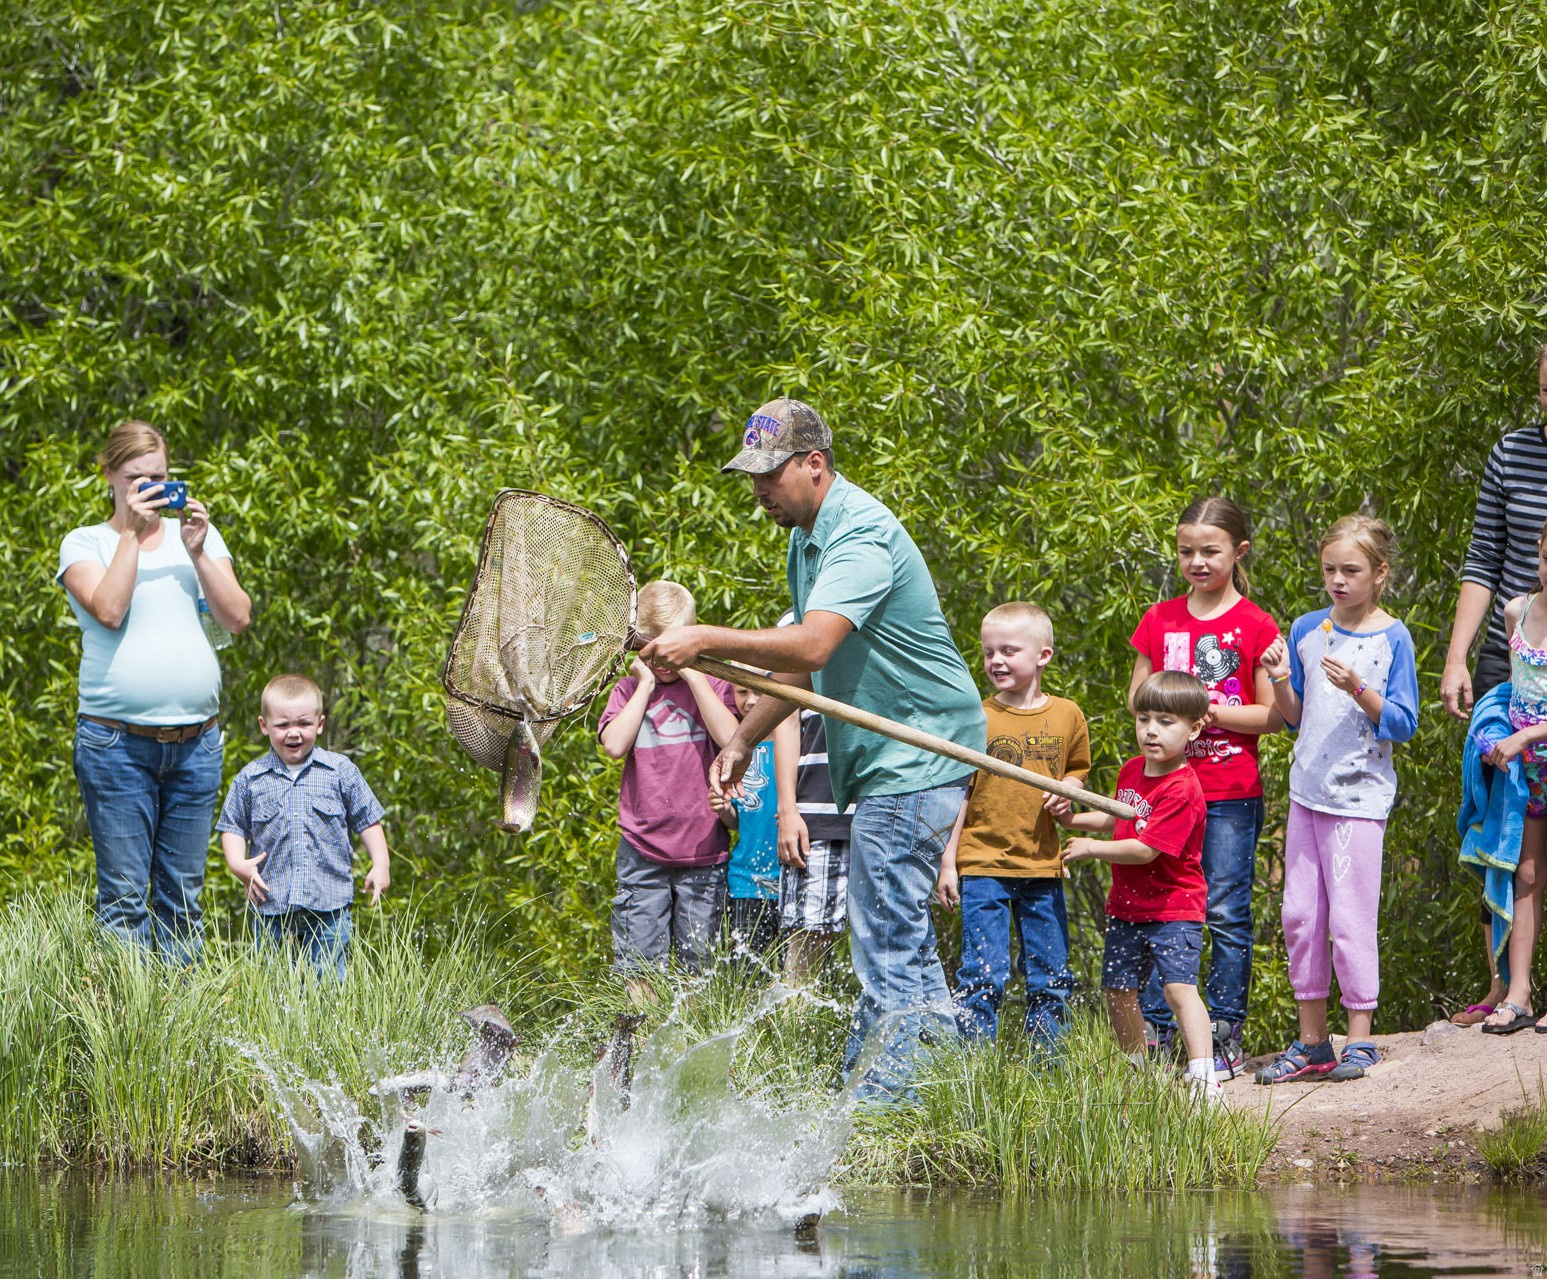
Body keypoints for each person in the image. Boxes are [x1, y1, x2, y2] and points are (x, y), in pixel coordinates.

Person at [639, 397, 987, 1101]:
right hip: (894, 760)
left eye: (770, 476)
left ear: (815, 465)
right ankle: (951, 1088)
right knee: (901, 935)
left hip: (917, 751)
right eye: (751, 479)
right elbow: (802, 672)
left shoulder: (857, 535)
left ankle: (883, 1105)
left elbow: (813, 641)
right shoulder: (807, 538)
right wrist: (742, 737)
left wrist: (704, 638)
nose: (759, 492)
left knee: (883, 931)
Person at [59, 419, 252, 963]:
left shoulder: (200, 537)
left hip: (196, 746)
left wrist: (195, 552)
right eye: (136, 478)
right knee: (123, 900)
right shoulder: (86, 543)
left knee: (184, 901)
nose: (151, 489)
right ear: (110, 477)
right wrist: (130, 534)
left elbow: (236, 617)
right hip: (115, 745)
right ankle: (125, 1033)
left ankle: (176, 1039)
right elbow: (110, 609)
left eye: (160, 477)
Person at [1255, 516, 1419, 1081]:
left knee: (1350, 919)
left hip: (1359, 803)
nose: (1338, 581)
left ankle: (1360, 1040)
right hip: (1308, 794)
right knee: (1301, 916)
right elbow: (1293, 717)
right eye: (1329, 570)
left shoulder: (1391, 637)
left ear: (1380, 573)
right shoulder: (1307, 628)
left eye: (1351, 570)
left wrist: (1358, 687)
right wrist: (1279, 678)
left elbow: (1401, 723)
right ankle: (1311, 1043)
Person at [1128, 495, 1279, 1076]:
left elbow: (1271, 716)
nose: (1196, 561)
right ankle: (1159, 1035)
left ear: (1238, 552)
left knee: (1224, 910)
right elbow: (1138, 699)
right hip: (1165, 788)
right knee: (1162, 906)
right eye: (1186, 550)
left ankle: (1224, 1033)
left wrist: (1207, 710)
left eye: (1210, 551)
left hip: (1228, 790)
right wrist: (1167, 713)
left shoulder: (1255, 624)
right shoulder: (1159, 619)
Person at [1052, 671, 1220, 1102]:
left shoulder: (1182, 788)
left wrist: (1091, 847)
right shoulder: (1131, 770)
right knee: (1117, 989)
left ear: (1194, 728)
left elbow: (1146, 849)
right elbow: (1118, 817)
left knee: (1179, 989)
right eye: (1144, 718)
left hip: (1174, 908)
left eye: (1165, 721)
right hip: (1127, 908)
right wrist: (1074, 820)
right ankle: (1137, 1071)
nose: (1151, 730)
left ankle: (1204, 1076)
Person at [1441, 345, 1547, 1023]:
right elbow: (1483, 557)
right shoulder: (1512, 450)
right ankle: (1505, 988)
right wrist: (1455, 658)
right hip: (1511, 659)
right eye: (1545, 390)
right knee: (1496, 825)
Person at [935, 602, 1090, 1048]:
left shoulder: (1067, 714)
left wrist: (1067, 790)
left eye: (1008, 651)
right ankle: (974, 1069)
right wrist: (949, 862)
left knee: (1051, 976)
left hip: (1042, 866)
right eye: (988, 652)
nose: (996, 661)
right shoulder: (977, 716)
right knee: (982, 975)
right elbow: (959, 792)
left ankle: (1047, 1069)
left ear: (1043, 655)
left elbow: (1077, 770)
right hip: (982, 864)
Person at [599, 580, 740, 1000]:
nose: (662, 659)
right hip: (643, 849)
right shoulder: (629, 691)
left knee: (701, 965)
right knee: (639, 963)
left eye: (670, 647)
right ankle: (641, 1043)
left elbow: (733, 737)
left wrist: (694, 672)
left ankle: (692, 1048)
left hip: (703, 848)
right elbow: (614, 745)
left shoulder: (714, 687)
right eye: (650, 647)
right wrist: (643, 685)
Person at [217, 674, 389, 981]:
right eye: (282, 725)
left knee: (329, 986)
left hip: (329, 905)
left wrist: (381, 863)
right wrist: (237, 864)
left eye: (304, 724)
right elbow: (233, 826)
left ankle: (327, 1029)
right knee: (273, 987)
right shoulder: (250, 778)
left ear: (319, 724)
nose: (293, 733)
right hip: (272, 904)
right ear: (264, 725)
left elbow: (368, 819)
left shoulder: (340, 771)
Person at [1470, 517, 1547, 1035]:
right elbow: (1510, 688)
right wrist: (1494, 731)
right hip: (1529, 775)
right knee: (1526, 876)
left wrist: (1523, 736)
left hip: (1531, 749)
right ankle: (1518, 992)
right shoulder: (1517, 610)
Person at [773, 609, 856, 987]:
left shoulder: (880, 611)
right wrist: (788, 810)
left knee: (884, 941)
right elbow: (784, 720)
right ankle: (793, 1035)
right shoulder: (793, 624)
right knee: (805, 944)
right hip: (815, 813)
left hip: (881, 807)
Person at [709, 672, 798, 965]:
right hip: (746, 884)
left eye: (759, 691)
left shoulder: (799, 747)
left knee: (796, 976)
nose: (751, 701)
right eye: (741, 692)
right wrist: (723, 808)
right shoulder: (737, 756)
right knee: (746, 981)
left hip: (793, 881)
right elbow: (738, 821)